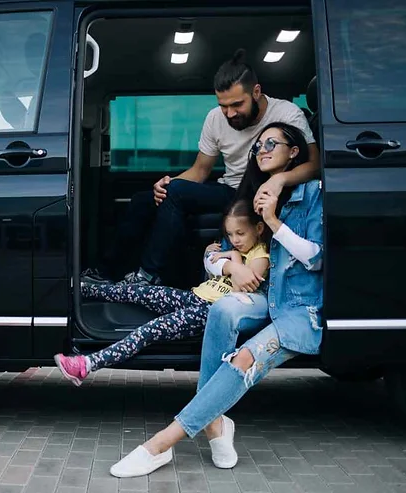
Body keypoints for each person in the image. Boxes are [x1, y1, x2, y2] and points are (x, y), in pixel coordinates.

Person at [107, 122, 324, 478]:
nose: (262, 149)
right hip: (260, 295)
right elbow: (212, 256)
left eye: (272, 143)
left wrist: (272, 219)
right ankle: (215, 423)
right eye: (257, 145)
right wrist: (231, 263)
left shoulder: (311, 192)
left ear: (294, 151)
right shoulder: (247, 196)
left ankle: (162, 444)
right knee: (222, 308)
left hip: (298, 307)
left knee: (245, 357)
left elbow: (315, 258)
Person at [83, 49, 319, 286]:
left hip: (259, 191)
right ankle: (106, 273)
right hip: (230, 190)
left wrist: (279, 180)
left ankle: (148, 276)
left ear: (256, 92)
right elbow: (200, 171)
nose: (230, 113)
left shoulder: (287, 113)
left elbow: (315, 164)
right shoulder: (215, 118)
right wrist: (169, 183)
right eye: (224, 105)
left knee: (174, 195)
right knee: (145, 199)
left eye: (237, 104)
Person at [54, 199, 270, 385]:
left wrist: (232, 258)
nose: (235, 240)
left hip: (209, 312)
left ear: (259, 229)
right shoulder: (233, 249)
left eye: (240, 233)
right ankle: (81, 289)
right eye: (230, 234)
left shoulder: (260, 257)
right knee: (139, 292)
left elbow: (243, 288)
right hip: (194, 296)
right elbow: (211, 263)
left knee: (149, 330)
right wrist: (227, 256)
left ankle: (86, 364)